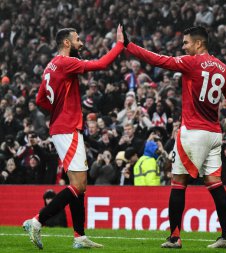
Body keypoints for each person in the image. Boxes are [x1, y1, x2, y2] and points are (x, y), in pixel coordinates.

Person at [125, 26, 226, 248]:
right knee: (215, 183)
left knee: (178, 182)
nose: (183, 47)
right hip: (214, 134)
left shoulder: (192, 62)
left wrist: (129, 46)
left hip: (193, 133)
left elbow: (158, 60)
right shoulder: (223, 68)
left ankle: (174, 237)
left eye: (186, 43)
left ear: (199, 44)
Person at [22, 24, 126, 249]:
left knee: (78, 185)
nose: (81, 43)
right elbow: (101, 64)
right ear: (67, 43)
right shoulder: (66, 62)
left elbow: (40, 100)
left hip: (61, 127)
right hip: (67, 128)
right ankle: (37, 221)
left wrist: (57, 109)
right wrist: (120, 44)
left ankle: (79, 236)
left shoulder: (50, 66)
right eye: (78, 39)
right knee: (78, 185)